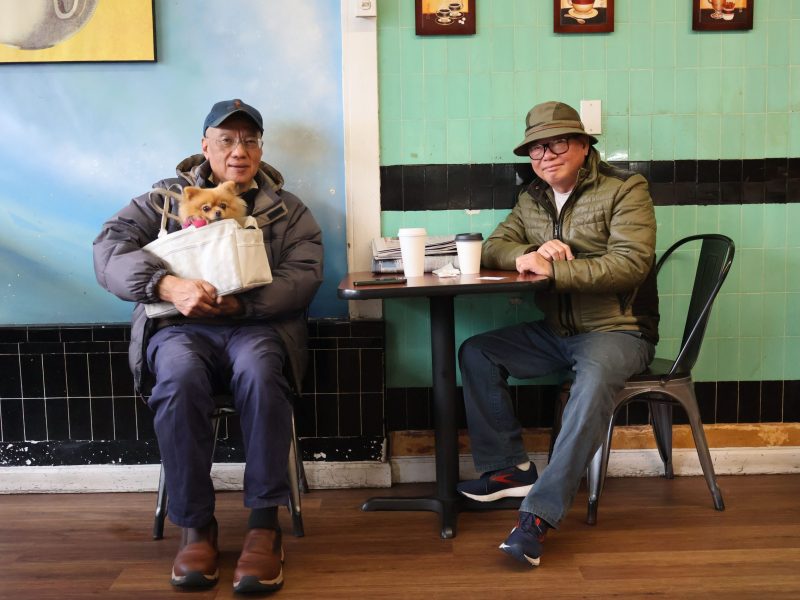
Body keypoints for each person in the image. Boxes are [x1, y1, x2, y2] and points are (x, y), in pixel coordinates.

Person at [93, 99, 323, 593]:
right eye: (226, 139)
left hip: (257, 328)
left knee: (262, 375)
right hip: (179, 329)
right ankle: (195, 526)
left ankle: (264, 525)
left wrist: (243, 307)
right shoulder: (161, 200)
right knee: (176, 379)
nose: (239, 150)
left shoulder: (289, 210)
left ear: (261, 148)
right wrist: (165, 286)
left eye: (250, 140)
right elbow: (109, 249)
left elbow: (303, 277)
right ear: (205, 145)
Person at [456, 101, 659, 567]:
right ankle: (510, 470)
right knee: (477, 352)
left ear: (585, 145)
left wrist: (553, 270)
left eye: (557, 142)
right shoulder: (533, 197)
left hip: (619, 331)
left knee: (590, 388)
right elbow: (494, 246)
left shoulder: (625, 188)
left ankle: (538, 518)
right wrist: (529, 250)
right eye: (535, 148)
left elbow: (631, 265)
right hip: (557, 331)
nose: (545, 155)